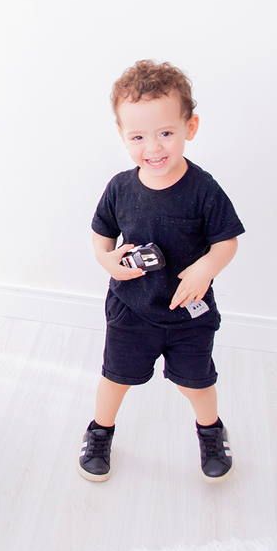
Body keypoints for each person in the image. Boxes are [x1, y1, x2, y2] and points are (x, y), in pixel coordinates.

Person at [80, 60, 244, 483]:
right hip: (131, 309)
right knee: (116, 377)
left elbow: (227, 242)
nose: (152, 148)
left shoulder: (203, 189)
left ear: (190, 126)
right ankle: (100, 431)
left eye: (165, 133)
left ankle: (210, 430)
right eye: (138, 137)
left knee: (197, 380)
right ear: (122, 136)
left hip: (188, 312)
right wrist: (106, 260)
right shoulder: (120, 187)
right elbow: (101, 236)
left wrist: (205, 269)